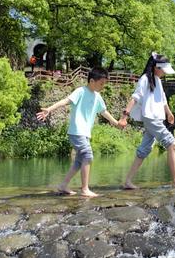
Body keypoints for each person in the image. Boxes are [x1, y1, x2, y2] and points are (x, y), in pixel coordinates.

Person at [36, 67, 120, 197]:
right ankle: (85, 189)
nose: (103, 86)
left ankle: (63, 185)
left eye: (104, 84)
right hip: (76, 131)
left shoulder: (97, 96)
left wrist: (115, 122)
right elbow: (66, 101)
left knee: (79, 161)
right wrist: (49, 109)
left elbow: (103, 111)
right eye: (101, 83)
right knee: (88, 155)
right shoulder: (80, 91)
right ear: (92, 81)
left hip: (85, 133)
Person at [119, 52, 175, 189]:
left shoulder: (157, 80)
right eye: (163, 70)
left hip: (156, 118)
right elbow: (135, 97)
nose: (164, 73)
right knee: (172, 144)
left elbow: (162, 99)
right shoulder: (145, 79)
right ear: (156, 68)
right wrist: (124, 116)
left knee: (143, 150)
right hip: (151, 118)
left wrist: (169, 113)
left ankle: (128, 181)